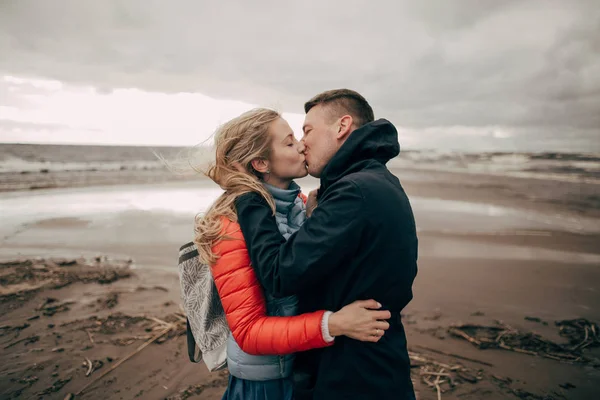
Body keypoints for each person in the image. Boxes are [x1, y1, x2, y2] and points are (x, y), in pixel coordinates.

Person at [194, 108, 392, 400]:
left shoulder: (301, 205)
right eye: (288, 142)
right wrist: (334, 324)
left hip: (306, 369)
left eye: (298, 136)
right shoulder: (230, 226)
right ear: (261, 162)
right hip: (265, 383)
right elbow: (248, 332)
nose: (301, 144)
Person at [235, 90, 418, 399]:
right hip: (373, 363)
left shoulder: (354, 192)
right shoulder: (374, 181)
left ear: (341, 126)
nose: (302, 143)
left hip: (351, 377)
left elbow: (280, 273)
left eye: (307, 131)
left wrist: (249, 197)